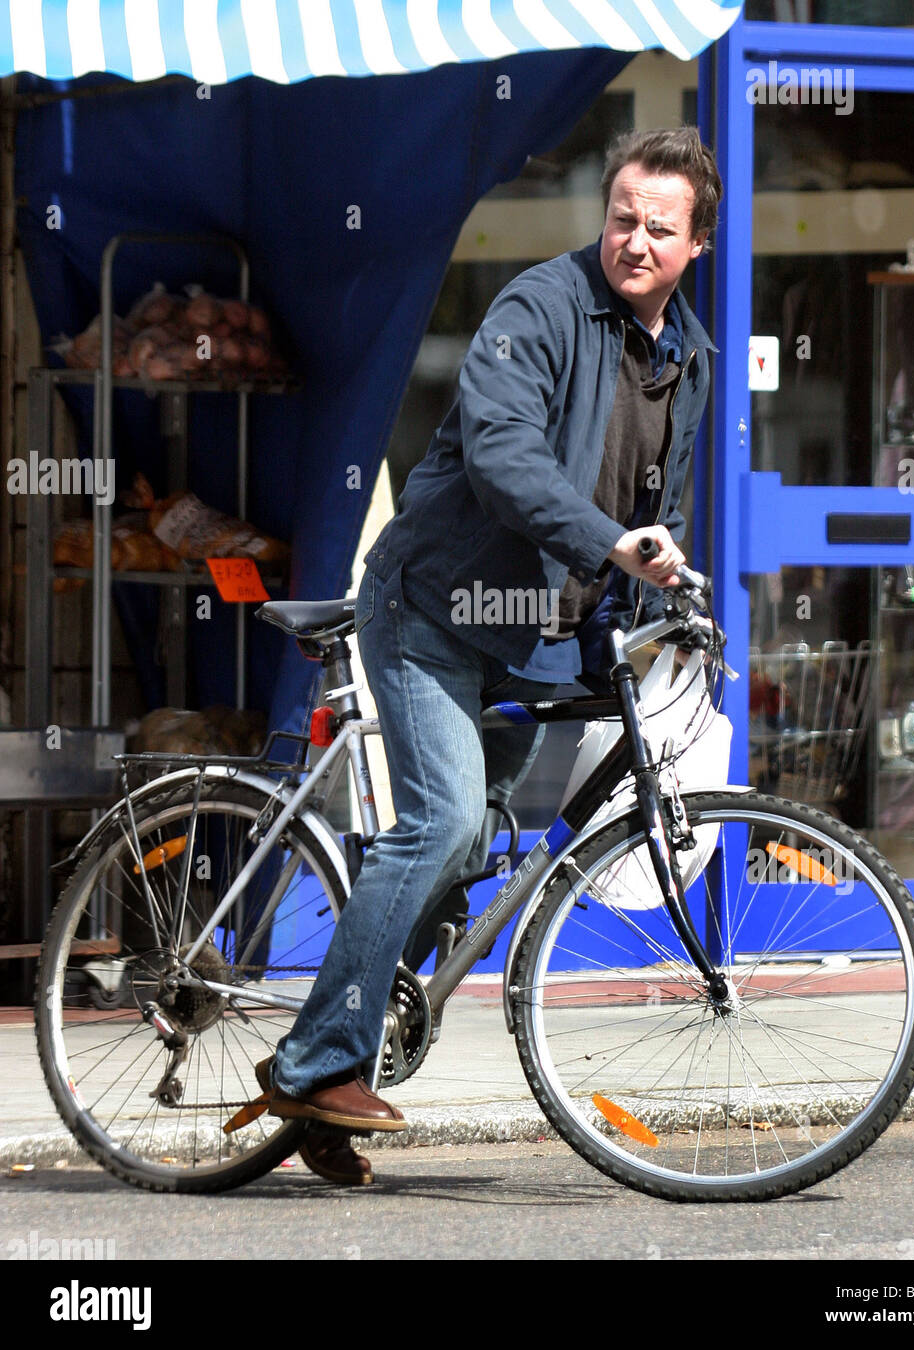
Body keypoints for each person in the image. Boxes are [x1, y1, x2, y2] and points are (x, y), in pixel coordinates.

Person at [261, 126, 723, 1184]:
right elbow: (508, 458)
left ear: (694, 244)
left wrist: (655, 597)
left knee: (470, 841)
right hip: (431, 608)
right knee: (441, 820)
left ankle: (337, 1065)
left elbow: (658, 507)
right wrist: (610, 542)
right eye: (620, 218)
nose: (633, 240)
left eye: (659, 227)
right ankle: (313, 1060)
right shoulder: (538, 309)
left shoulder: (686, 360)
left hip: (537, 638)